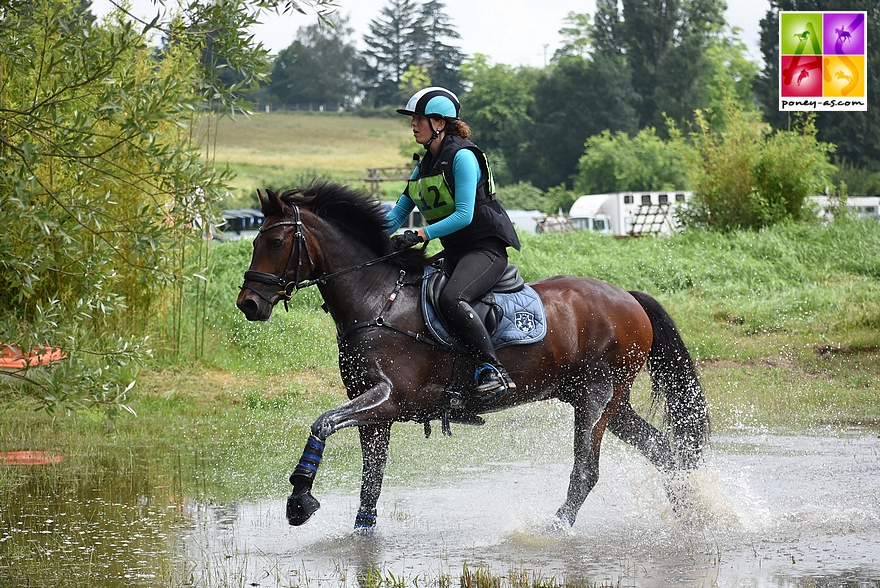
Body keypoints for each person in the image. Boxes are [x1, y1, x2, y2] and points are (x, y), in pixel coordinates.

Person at [384, 87, 521, 399]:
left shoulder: (462, 158)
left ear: (440, 123)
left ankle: (492, 369)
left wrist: (421, 235)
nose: (413, 124)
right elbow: (395, 217)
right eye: (413, 119)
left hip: (486, 249)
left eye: (419, 118)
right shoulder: (424, 166)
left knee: (451, 298)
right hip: (456, 251)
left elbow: (463, 215)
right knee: (414, 290)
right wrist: (360, 233)